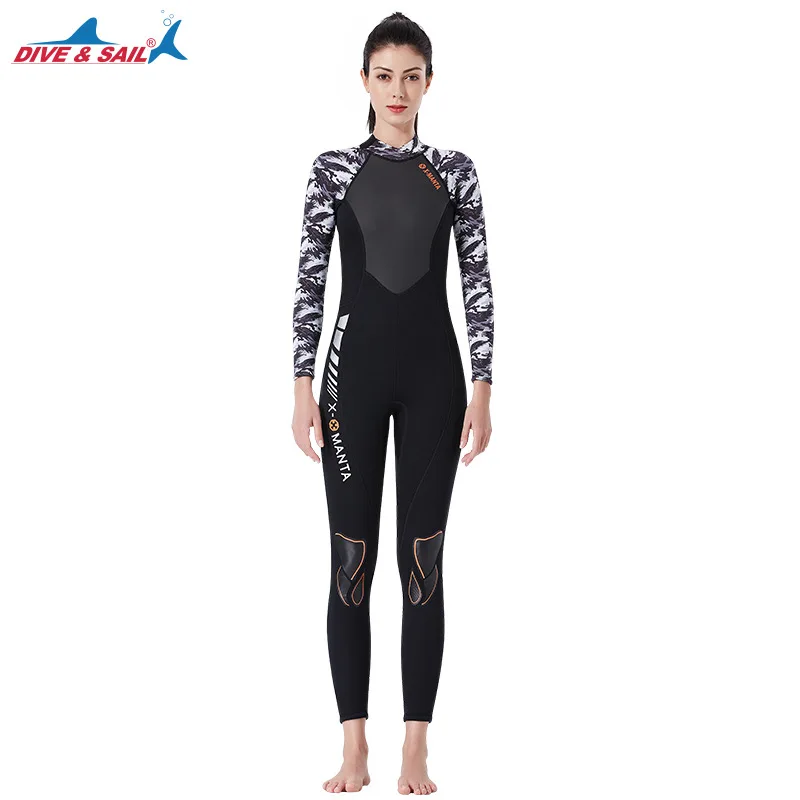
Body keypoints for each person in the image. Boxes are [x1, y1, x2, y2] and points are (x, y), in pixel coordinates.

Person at [291, 12, 494, 795]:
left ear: (429, 82)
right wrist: (301, 384)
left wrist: (484, 385)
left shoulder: (455, 171)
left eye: (412, 76)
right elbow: (311, 278)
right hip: (351, 380)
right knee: (352, 562)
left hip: (436, 380)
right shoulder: (333, 169)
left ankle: (416, 747)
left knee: (422, 564)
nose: (398, 90)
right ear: (365, 81)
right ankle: (354, 748)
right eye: (385, 76)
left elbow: (477, 282)